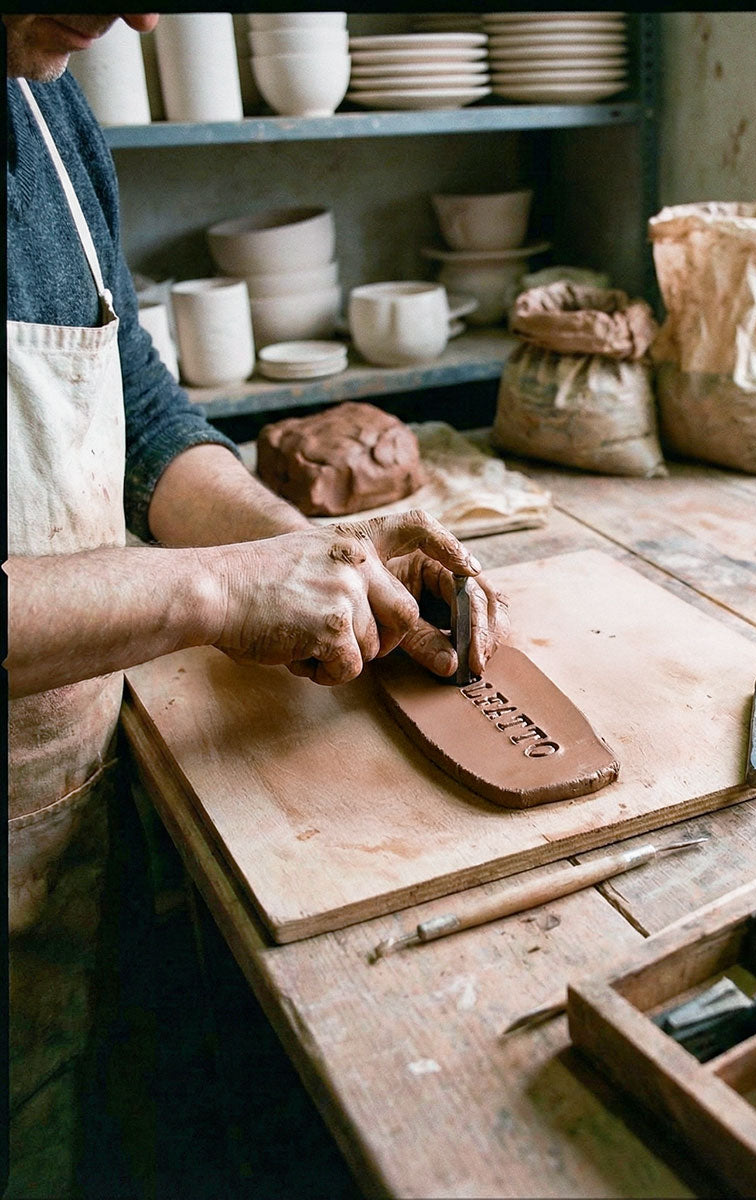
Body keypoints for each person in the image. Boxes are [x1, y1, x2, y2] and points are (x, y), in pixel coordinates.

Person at [5, 14, 509, 1196]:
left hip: (59, 794)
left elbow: (139, 413)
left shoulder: (51, 105)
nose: (142, 17)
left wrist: (316, 550)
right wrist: (219, 588)